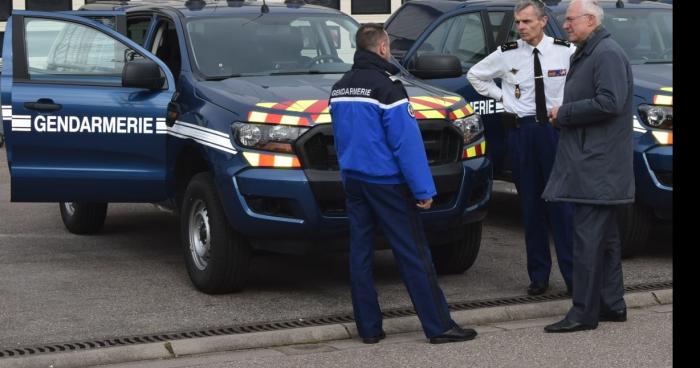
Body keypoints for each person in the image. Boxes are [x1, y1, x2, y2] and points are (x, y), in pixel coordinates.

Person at [329, 23, 477, 345]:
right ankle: (439, 326)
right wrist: (423, 190)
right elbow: (406, 144)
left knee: (360, 254)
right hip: (386, 183)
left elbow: (341, 139)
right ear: (383, 48)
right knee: (413, 254)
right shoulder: (389, 89)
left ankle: (368, 329)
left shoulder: (340, 87)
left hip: (354, 181)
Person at [467, 0, 575, 296]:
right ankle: (538, 276)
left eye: (526, 22)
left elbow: (581, 81)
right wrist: (502, 97)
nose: (521, 27)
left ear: (542, 22)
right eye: (518, 22)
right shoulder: (508, 54)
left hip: (554, 132)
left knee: (562, 206)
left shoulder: (565, 51)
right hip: (523, 132)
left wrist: (568, 108)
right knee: (531, 206)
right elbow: (475, 75)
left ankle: (574, 277)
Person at [543, 0, 634, 333]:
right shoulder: (592, 51)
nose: (565, 26)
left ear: (591, 20)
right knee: (607, 239)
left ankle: (583, 312)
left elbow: (610, 102)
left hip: (597, 164)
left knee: (586, 240)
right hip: (597, 161)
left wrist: (563, 113)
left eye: (570, 20)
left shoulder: (606, 54)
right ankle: (612, 304)